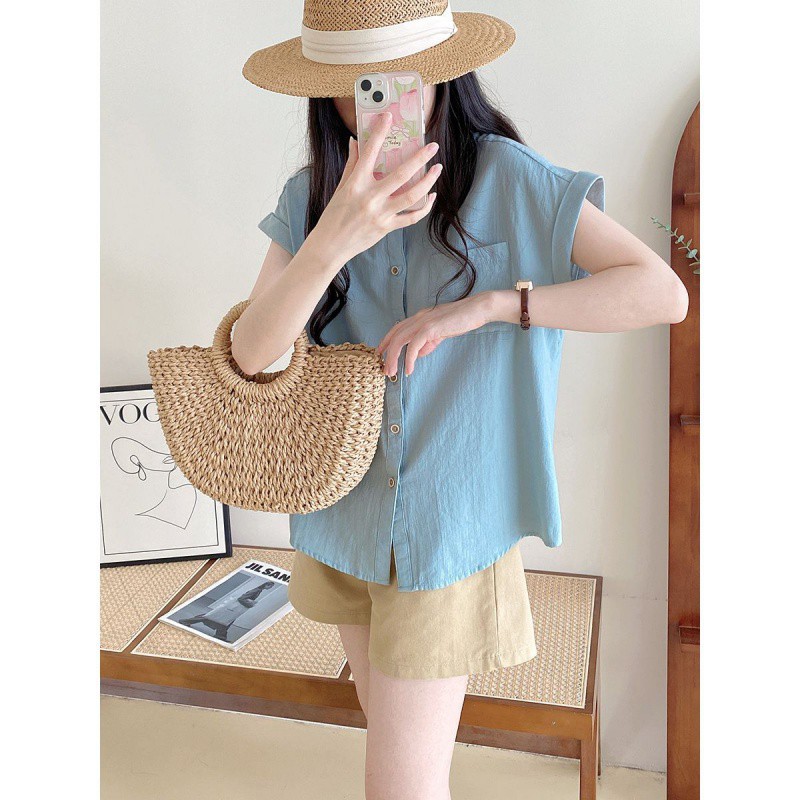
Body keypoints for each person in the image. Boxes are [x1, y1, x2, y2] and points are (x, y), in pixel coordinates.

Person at [232, 2, 688, 798]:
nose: (381, 105)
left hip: (448, 531)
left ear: (444, 76)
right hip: (342, 519)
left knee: (400, 785)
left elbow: (661, 293)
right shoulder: (312, 196)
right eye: (359, 85)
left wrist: (490, 306)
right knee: (403, 766)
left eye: (399, 80)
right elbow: (250, 352)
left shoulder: (509, 178)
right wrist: (338, 233)